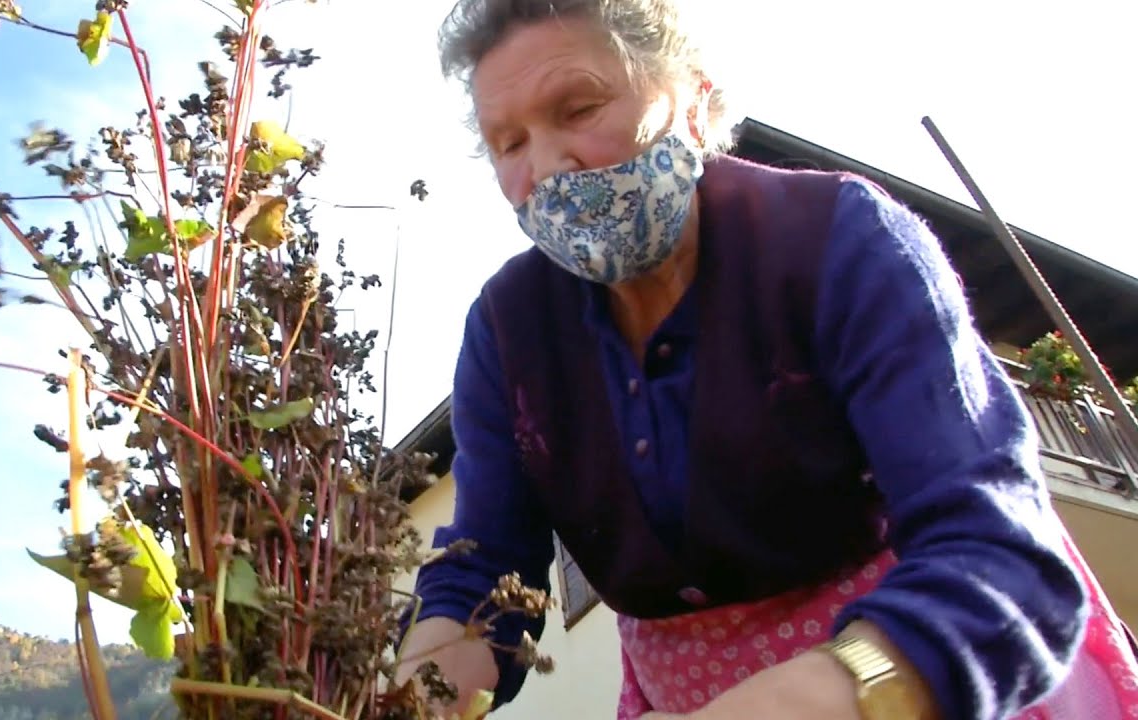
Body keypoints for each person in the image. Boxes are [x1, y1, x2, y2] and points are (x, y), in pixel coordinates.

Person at [395, 1, 1138, 718]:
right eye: (509, 143)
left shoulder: (840, 245)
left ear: (693, 102)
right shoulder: (507, 333)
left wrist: (835, 691)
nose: (548, 169)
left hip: (912, 679)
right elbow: (486, 572)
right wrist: (411, 696)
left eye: (579, 109)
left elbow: (997, 551)